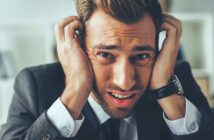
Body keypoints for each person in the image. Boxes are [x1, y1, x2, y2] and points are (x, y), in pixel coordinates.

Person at [0, 0, 214, 139]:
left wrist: (164, 90)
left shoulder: (175, 81)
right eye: (105, 54)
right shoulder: (35, 85)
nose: (125, 82)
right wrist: (76, 90)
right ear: (79, 47)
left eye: (142, 56)